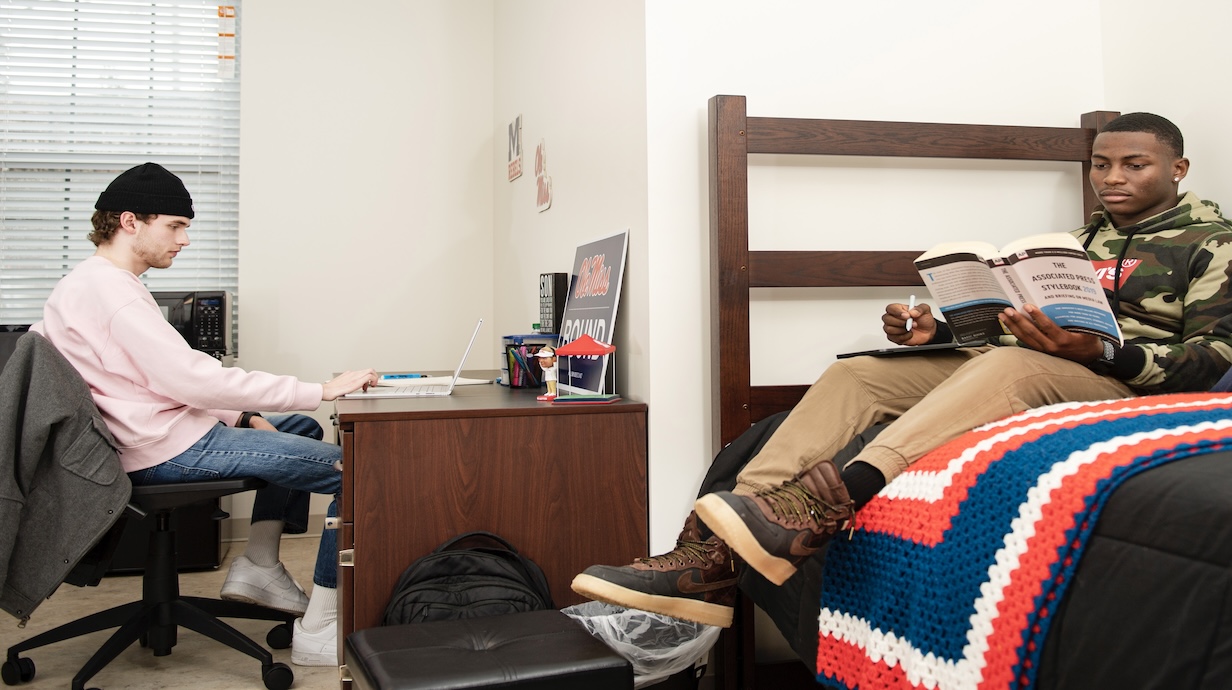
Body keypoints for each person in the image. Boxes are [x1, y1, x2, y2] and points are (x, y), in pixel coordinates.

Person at [572, 112, 1232, 628]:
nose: (1112, 177)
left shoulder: (1211, 241)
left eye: (1135, 165)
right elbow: (1015, 323)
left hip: (1121, 385)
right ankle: (720, 542)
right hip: (1042, 359)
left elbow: (1212, 362)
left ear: (1178, 167)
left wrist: (1103, 352)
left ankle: (835, 500)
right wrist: (937, 331)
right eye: (1101, 164)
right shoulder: (1085, 238)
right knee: (860, 375)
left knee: (1008, 369)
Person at [31, 162, 378, 666]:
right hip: (161, 447)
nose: (184, 239)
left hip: (149, 431)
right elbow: (189, 378)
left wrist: (242, 416)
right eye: (175, 226)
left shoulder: (96, 283)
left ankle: (259, 564)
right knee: (354, 475)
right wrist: (320, 389)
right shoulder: (111, 293)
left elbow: (152, 378)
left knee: (296, 428)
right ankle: (320, 627)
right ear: (130, 222)